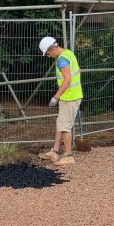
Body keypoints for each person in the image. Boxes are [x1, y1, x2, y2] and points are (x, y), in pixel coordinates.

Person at [37, 36, 83, 166]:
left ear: (52, 48)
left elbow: (67, 80)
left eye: (48, 53)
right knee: (60, 124)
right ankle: (55, 151)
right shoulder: (68, 53)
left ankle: (69, 156)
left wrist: (56, 97)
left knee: (65, 127)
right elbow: (78, 72)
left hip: (69, 97)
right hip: (71, 96)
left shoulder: (61, 60)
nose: (48, 56)